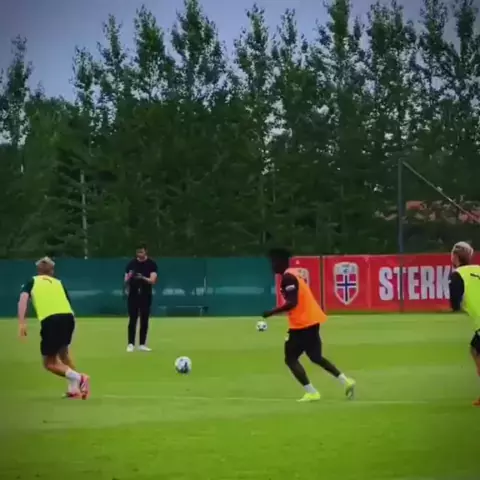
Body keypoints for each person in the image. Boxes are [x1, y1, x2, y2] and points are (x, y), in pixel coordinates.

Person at [262, 248, 356, 402]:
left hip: (302, 324)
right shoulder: (294, 274)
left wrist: (271, 312)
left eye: (273, 262)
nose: (272, 266)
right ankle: (346, 381)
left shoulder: (288, 278)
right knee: (315, 357)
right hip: (311, 321)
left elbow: (293, 302)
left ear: (280, 262)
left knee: (290, 359)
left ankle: (312, 392)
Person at [17, 257, 90, 399]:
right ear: (52, 271)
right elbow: (68, 303)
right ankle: (74, 389)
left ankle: (80, 378)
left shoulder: (32, 281)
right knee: (63, 354)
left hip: (51, 319)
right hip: (68, 318)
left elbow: (23, 300)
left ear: (38, 270)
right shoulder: (58, 283)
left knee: (49, 363)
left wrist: (21, 323)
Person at [448, 241, 480, 407]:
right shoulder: (478, 269)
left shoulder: (457, 275)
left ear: (455, 256)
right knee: (475, 349)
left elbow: (454, 304)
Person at [124, 244, 158, 352]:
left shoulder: (151, 264)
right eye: (138, 252)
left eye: (141, 252)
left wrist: (142, 277)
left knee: (144, 319)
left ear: (145, 251)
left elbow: (153, 280)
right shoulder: (131, 264)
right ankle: (130, 344)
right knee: (132, 319)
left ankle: (142, 344)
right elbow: (126, 279)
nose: (139, 254)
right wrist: (130, 277)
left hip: (145, 295)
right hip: (133, 295)